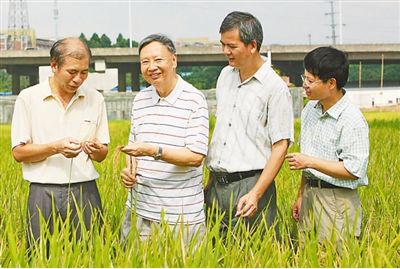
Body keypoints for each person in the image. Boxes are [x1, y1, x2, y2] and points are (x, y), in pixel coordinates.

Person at [11, 37, 110, 247]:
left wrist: (96, 150)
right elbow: (19, 153)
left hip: (86, 191)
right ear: (54, 66)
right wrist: (55, 147)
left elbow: (102, 155)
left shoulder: (95, 99)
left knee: (91, 253)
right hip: (42, 192)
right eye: (72, 72)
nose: (78, 79)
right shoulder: (28, 98)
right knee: (39, 256)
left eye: (84, 72)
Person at [205, 11, 294, 235]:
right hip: (216, 184)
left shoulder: (275, 88)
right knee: (214, 254)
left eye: (232, 46)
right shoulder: (225, 75)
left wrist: (256, 193)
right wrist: (209, 182)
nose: (226, 51)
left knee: (251, 254)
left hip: (250, 184)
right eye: (222, 45)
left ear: (252, 45)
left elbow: (280, 145)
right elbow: (222, 134)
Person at [120, 34, 209, 243]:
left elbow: (195, 157)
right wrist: (129, 171)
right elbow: (133, 147)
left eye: (158, 60)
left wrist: (153, 151)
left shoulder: (194, 100)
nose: (152, 67)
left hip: (181, 217)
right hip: (139, 211)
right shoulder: (140, 100)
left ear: (174, 60)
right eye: (145, 62)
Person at [286, 47, 369, 246]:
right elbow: (307, 162)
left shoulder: (352, 119)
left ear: (331, 83)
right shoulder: (310, 110)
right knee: (308, 256)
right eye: (304, 77)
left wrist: (310, 162)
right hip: (310, 195)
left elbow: (353, 169)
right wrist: (300, 196)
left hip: (337, 201)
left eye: (310, 80)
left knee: (336, 258)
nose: (304, 85)